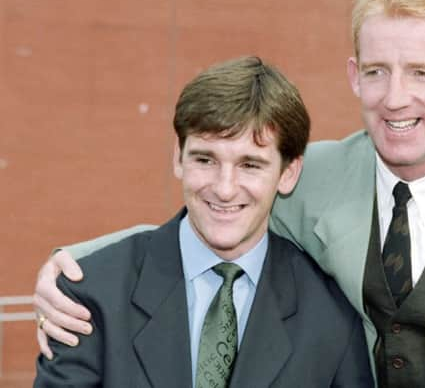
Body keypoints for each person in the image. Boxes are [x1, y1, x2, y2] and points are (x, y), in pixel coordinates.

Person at [34, 0, 425, 387]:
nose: (395, 97)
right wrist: (70, 268)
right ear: (354, 76)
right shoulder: (312, 174)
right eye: (378, 71)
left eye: (423, 72)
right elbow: (216, 211)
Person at [33, 56, 373, 387]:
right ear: (178, 158)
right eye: (205, 159)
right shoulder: (89, 294)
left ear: (288, 173)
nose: (224, 189)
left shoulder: (332, 316)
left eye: (250, 165)